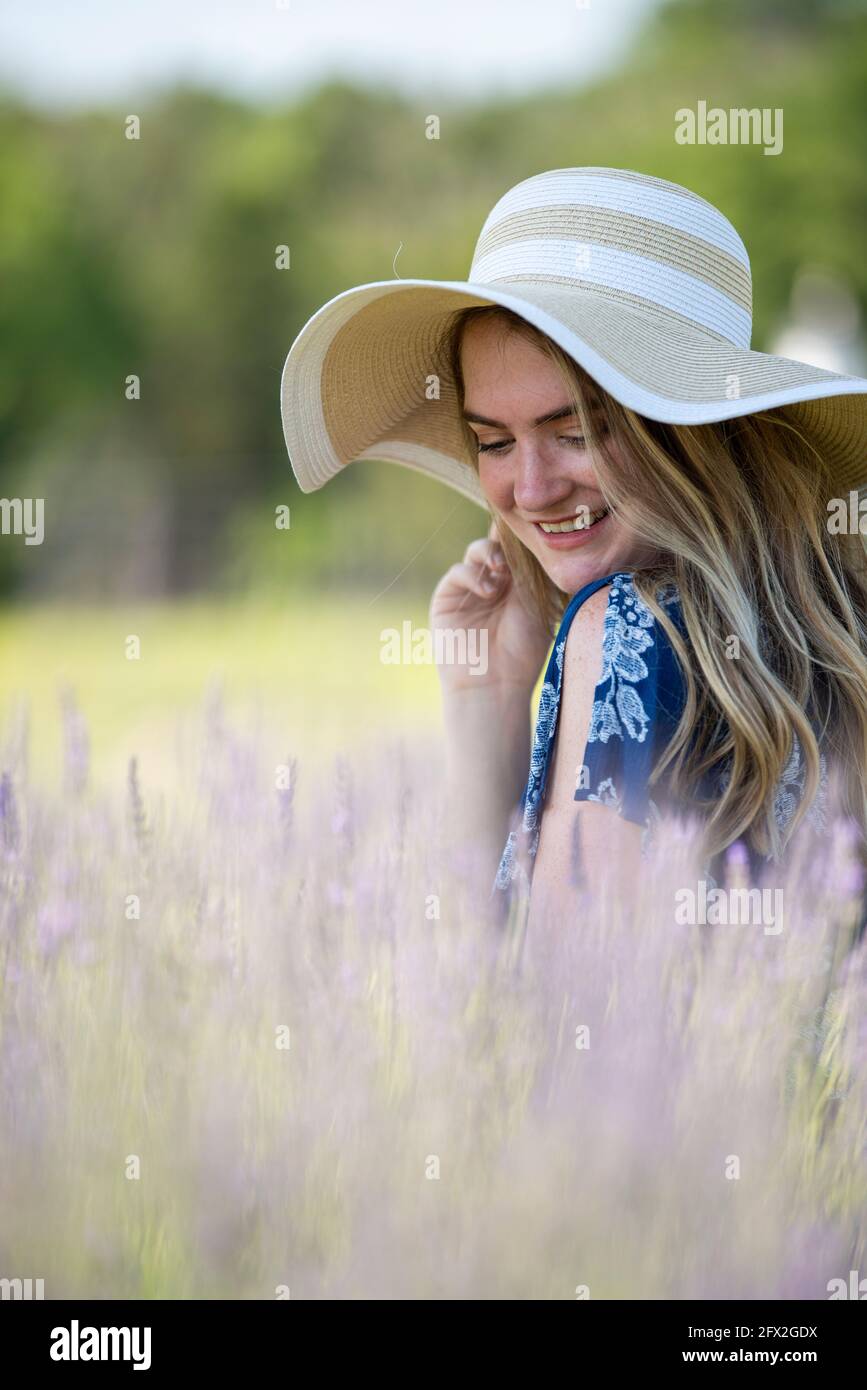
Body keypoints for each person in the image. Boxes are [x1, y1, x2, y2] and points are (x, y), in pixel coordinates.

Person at [280, 167, 867, 935]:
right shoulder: (834, 642)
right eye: (491, 441)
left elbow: (553, 1013)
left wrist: (481, 718)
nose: (529, 490)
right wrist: (484, 695)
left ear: (691, 434)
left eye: (576, 433)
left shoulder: (622, 624)